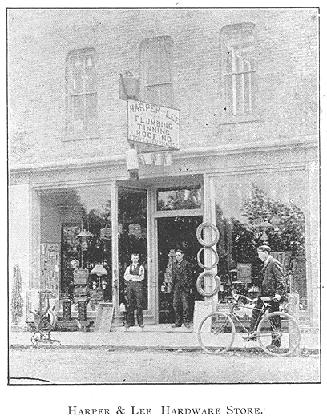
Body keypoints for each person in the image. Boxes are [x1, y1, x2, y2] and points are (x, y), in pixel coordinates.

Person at [248, 245, 285, 349]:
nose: (258, 256)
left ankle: (276, 343)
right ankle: (253, 333)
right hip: (264, 294)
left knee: (274, 318)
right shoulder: (266, 263)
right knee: (256, 311)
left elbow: (281, 280)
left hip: (272, 295)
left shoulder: (273, 263)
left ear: (265, 252)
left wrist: (278, 293)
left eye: (259, 253)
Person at [171, 249, 193, 328]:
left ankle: (186, 322)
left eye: (179, 255)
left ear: (182, 255)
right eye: (176, 255)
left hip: (184, 287)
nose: (177, 257)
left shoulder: (186, 264)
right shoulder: (174, 264)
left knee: (185, 305)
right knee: (176, 305)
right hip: (177, 287)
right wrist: (172, 287)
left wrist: (189, 286)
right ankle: (178, 322)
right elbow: (173, 276)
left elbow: (190, 276)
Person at [124, 253, 145, 329]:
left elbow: (141, 277)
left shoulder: (141, 267)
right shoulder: (129, 267)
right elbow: (126, 276)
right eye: (134, 258)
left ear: (138, 259)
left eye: (136, 258)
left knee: (139, 304)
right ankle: (130, 322)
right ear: (131, 259)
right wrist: (134, 277)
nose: (135, 260)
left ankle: (140, 323)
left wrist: (131, 277)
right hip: (130, 286)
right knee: (130, 304)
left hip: (138, 286)